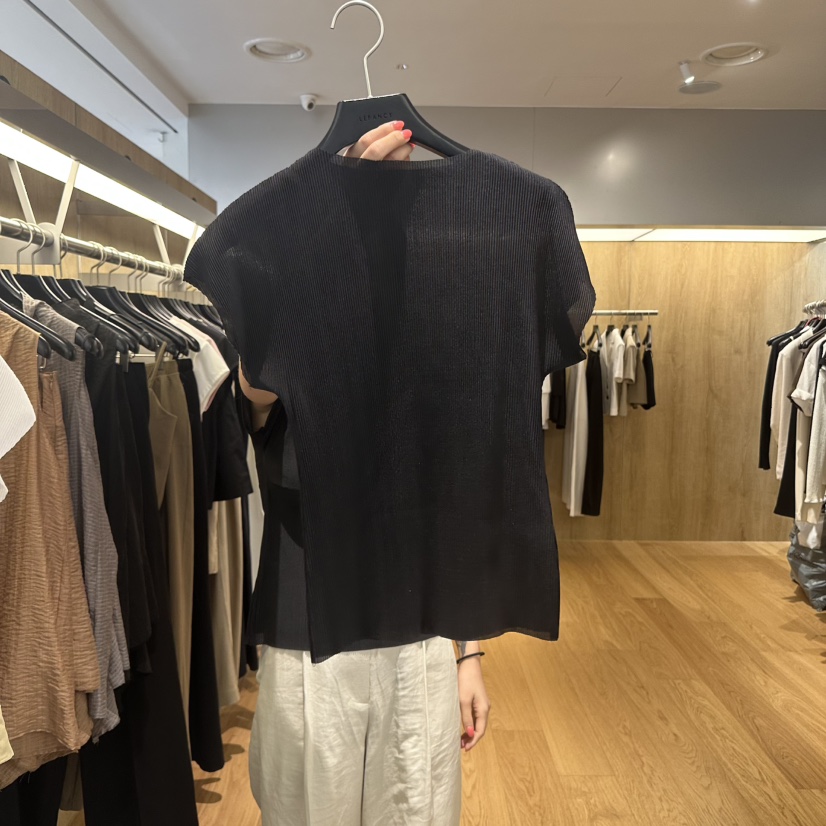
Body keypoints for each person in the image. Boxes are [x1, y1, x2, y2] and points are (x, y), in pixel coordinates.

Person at [239, 121, 491, 826]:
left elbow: (457, 501)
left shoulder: (443, 310)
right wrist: (327, 230)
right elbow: (257, 389)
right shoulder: (290, 294)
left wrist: (469, 653)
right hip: (310, 630)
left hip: (423, 634)